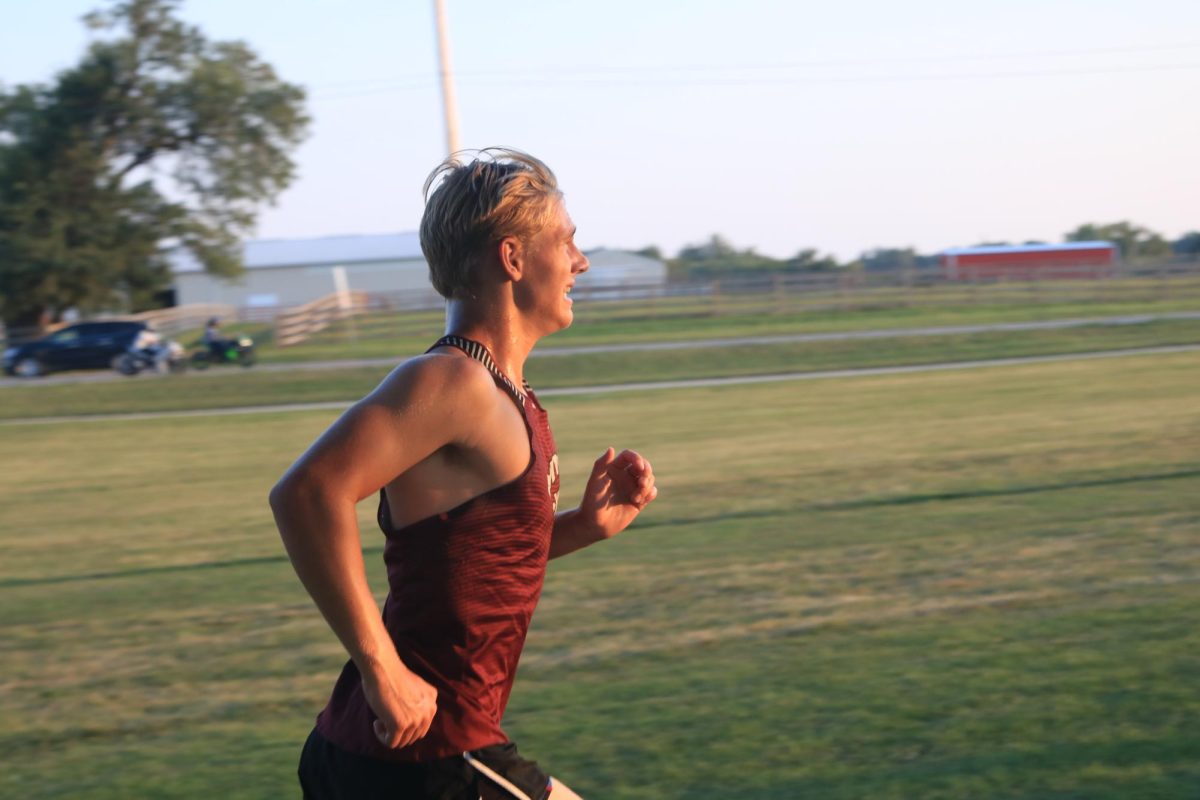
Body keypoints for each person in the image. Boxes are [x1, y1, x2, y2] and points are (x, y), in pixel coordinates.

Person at [270, 148, 658, 800]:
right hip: (424, 755)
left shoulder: (507, 392)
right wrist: (382, 671)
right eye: (566, 242)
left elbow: (470, 561)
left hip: (401, 751)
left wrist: (584, 528)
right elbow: (307, 494)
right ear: (511, 258)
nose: (580, 262)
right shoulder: (453, 382)